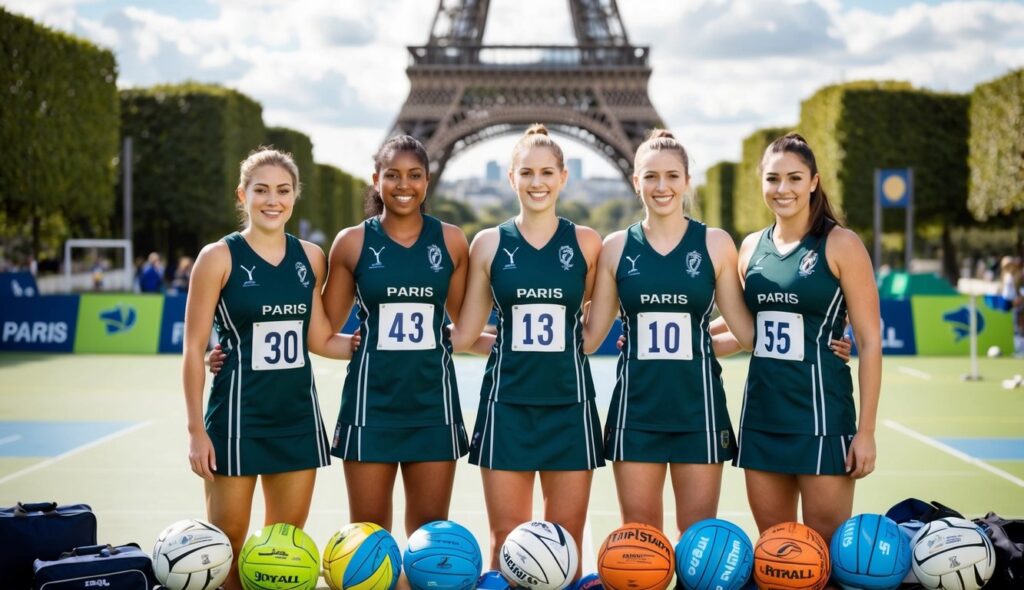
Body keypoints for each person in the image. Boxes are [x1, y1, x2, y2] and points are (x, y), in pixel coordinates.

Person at [182, 147, 355, 590]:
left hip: (296, 421)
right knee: (229, 552)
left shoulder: (312, 258)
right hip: (236, 422)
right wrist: (196, 431)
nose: (272, 199)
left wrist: (372, 346)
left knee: (285, 552)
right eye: (261, 190)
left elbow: (319, 339)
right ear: (243, 195)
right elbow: (194, 349)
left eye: (282, 190)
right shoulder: (217, 258)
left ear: (296, 196)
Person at [580, 129, 754, 539]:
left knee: (697, 545)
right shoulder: (616, 247)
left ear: (687, 181)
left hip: (701, 412)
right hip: (635, 414)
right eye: (651, 176)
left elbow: (748, 332)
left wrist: (823, 328)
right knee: (640, 547)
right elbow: (589, 339)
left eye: (673, 176)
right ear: (635, 181)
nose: (662, 187)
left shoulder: (714, 243)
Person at [450, 125, 603, 589]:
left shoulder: (587, 244)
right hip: (506, 408)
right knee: (505, 542)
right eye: (527, 172)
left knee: (565, 543)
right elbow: (467, 334)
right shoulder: (489, 244)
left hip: (570, 408)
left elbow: (595, 329)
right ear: (511, 178)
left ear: (562, 178)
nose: (537, 182)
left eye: (546, 172)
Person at [320, 135, 479, 541]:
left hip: (432, 405)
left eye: (414, 175)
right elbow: (320, 327)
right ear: (376, 180)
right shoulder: (351, 242)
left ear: (428, 181)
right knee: (369, 539)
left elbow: (464, 328)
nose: (403, 184)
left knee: (429, 540)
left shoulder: (452, 241)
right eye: (392, 175)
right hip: (370, 405)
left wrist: (523, 344)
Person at [734, 133, 881, 547]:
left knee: (826, 555)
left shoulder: (842, 244)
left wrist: (865, 432)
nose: (783, 190)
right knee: (777, 556)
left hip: (821, 420)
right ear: (761, 181)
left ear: (814, 182)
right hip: (762, 418)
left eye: (795, 179)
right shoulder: (749, 249)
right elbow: (749, 333)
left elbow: (869, 342)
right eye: (773, 179)